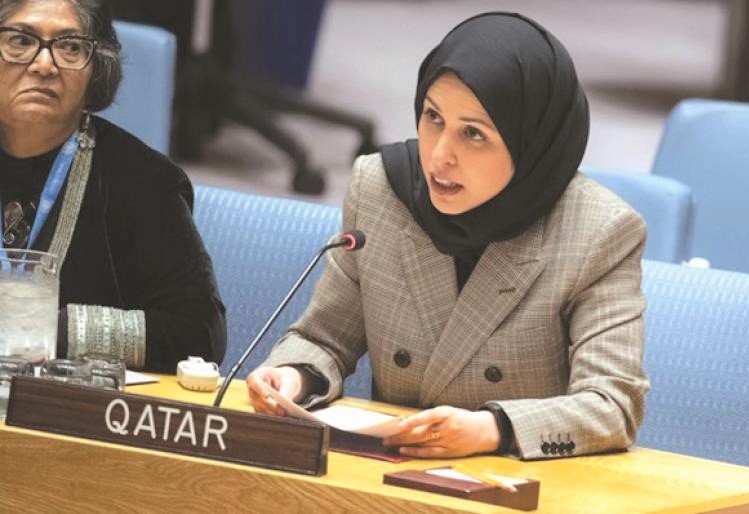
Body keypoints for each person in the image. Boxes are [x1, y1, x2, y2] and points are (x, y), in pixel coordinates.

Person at [247, 12, 649, 460]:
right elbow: (324, 338)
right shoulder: (382, 189)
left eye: (473, 134)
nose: (439, 156)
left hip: (514, 479)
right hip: (386, 470)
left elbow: (613, 404)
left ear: (530, 141)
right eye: (433, 117)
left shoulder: (599, 232)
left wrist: (492, 429)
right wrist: (293, 376)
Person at [0, 0, 225, 371]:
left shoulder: (144, 182)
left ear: (97, 68)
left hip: (62, 401)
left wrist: (49, 329)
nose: (44, 64)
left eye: (70, 47)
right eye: (20, 41)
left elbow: (199, 332)